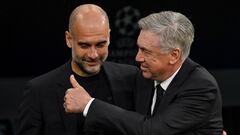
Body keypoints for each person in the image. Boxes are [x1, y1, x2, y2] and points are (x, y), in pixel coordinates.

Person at [64, 11, 223, 135]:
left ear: (174, 55)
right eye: (139, 48)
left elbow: (153, 131)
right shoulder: (144, 76)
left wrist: (89, 105)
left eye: (146, 51)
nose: (138, 57)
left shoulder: (201, 87)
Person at [18, 4, 141, 135]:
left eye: (100, 44)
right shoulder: (40, 90)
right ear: (69, 39)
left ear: (109, 37)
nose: (93, 54)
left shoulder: (131, 78)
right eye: (84, 45)